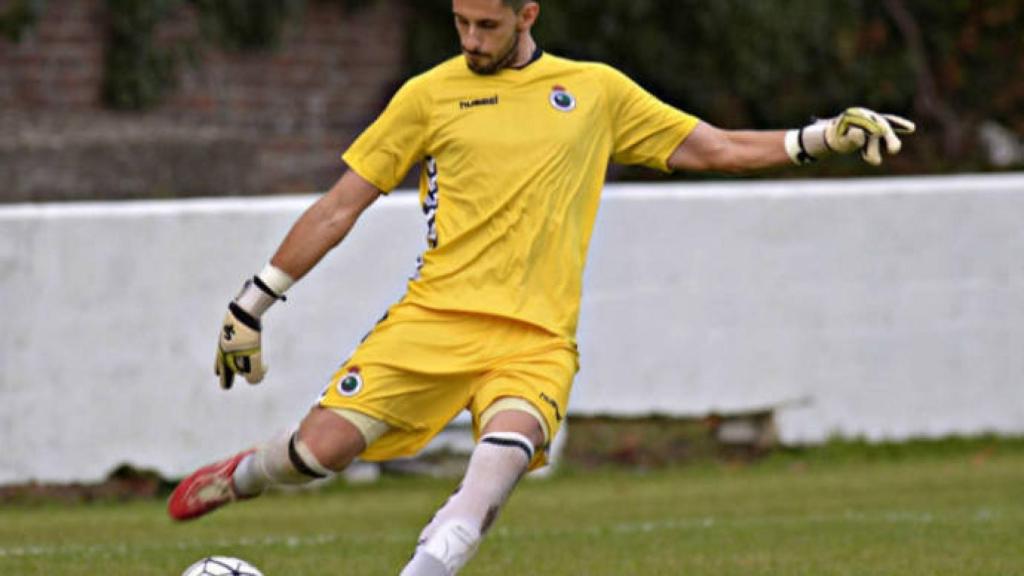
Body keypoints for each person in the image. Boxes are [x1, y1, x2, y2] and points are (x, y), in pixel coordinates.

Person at [167, 0, 915, 574]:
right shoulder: (427, 96)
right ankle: (246, 473)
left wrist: (819, 139)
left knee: (486, 483)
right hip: (431, 322)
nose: (470, 39)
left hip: (534, 342)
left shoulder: (594, 92)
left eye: (487, 24)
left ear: (529, 15)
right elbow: (340, 206)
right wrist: (251, 304)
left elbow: (711, 146)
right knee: (315, 454)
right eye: (460, 21)